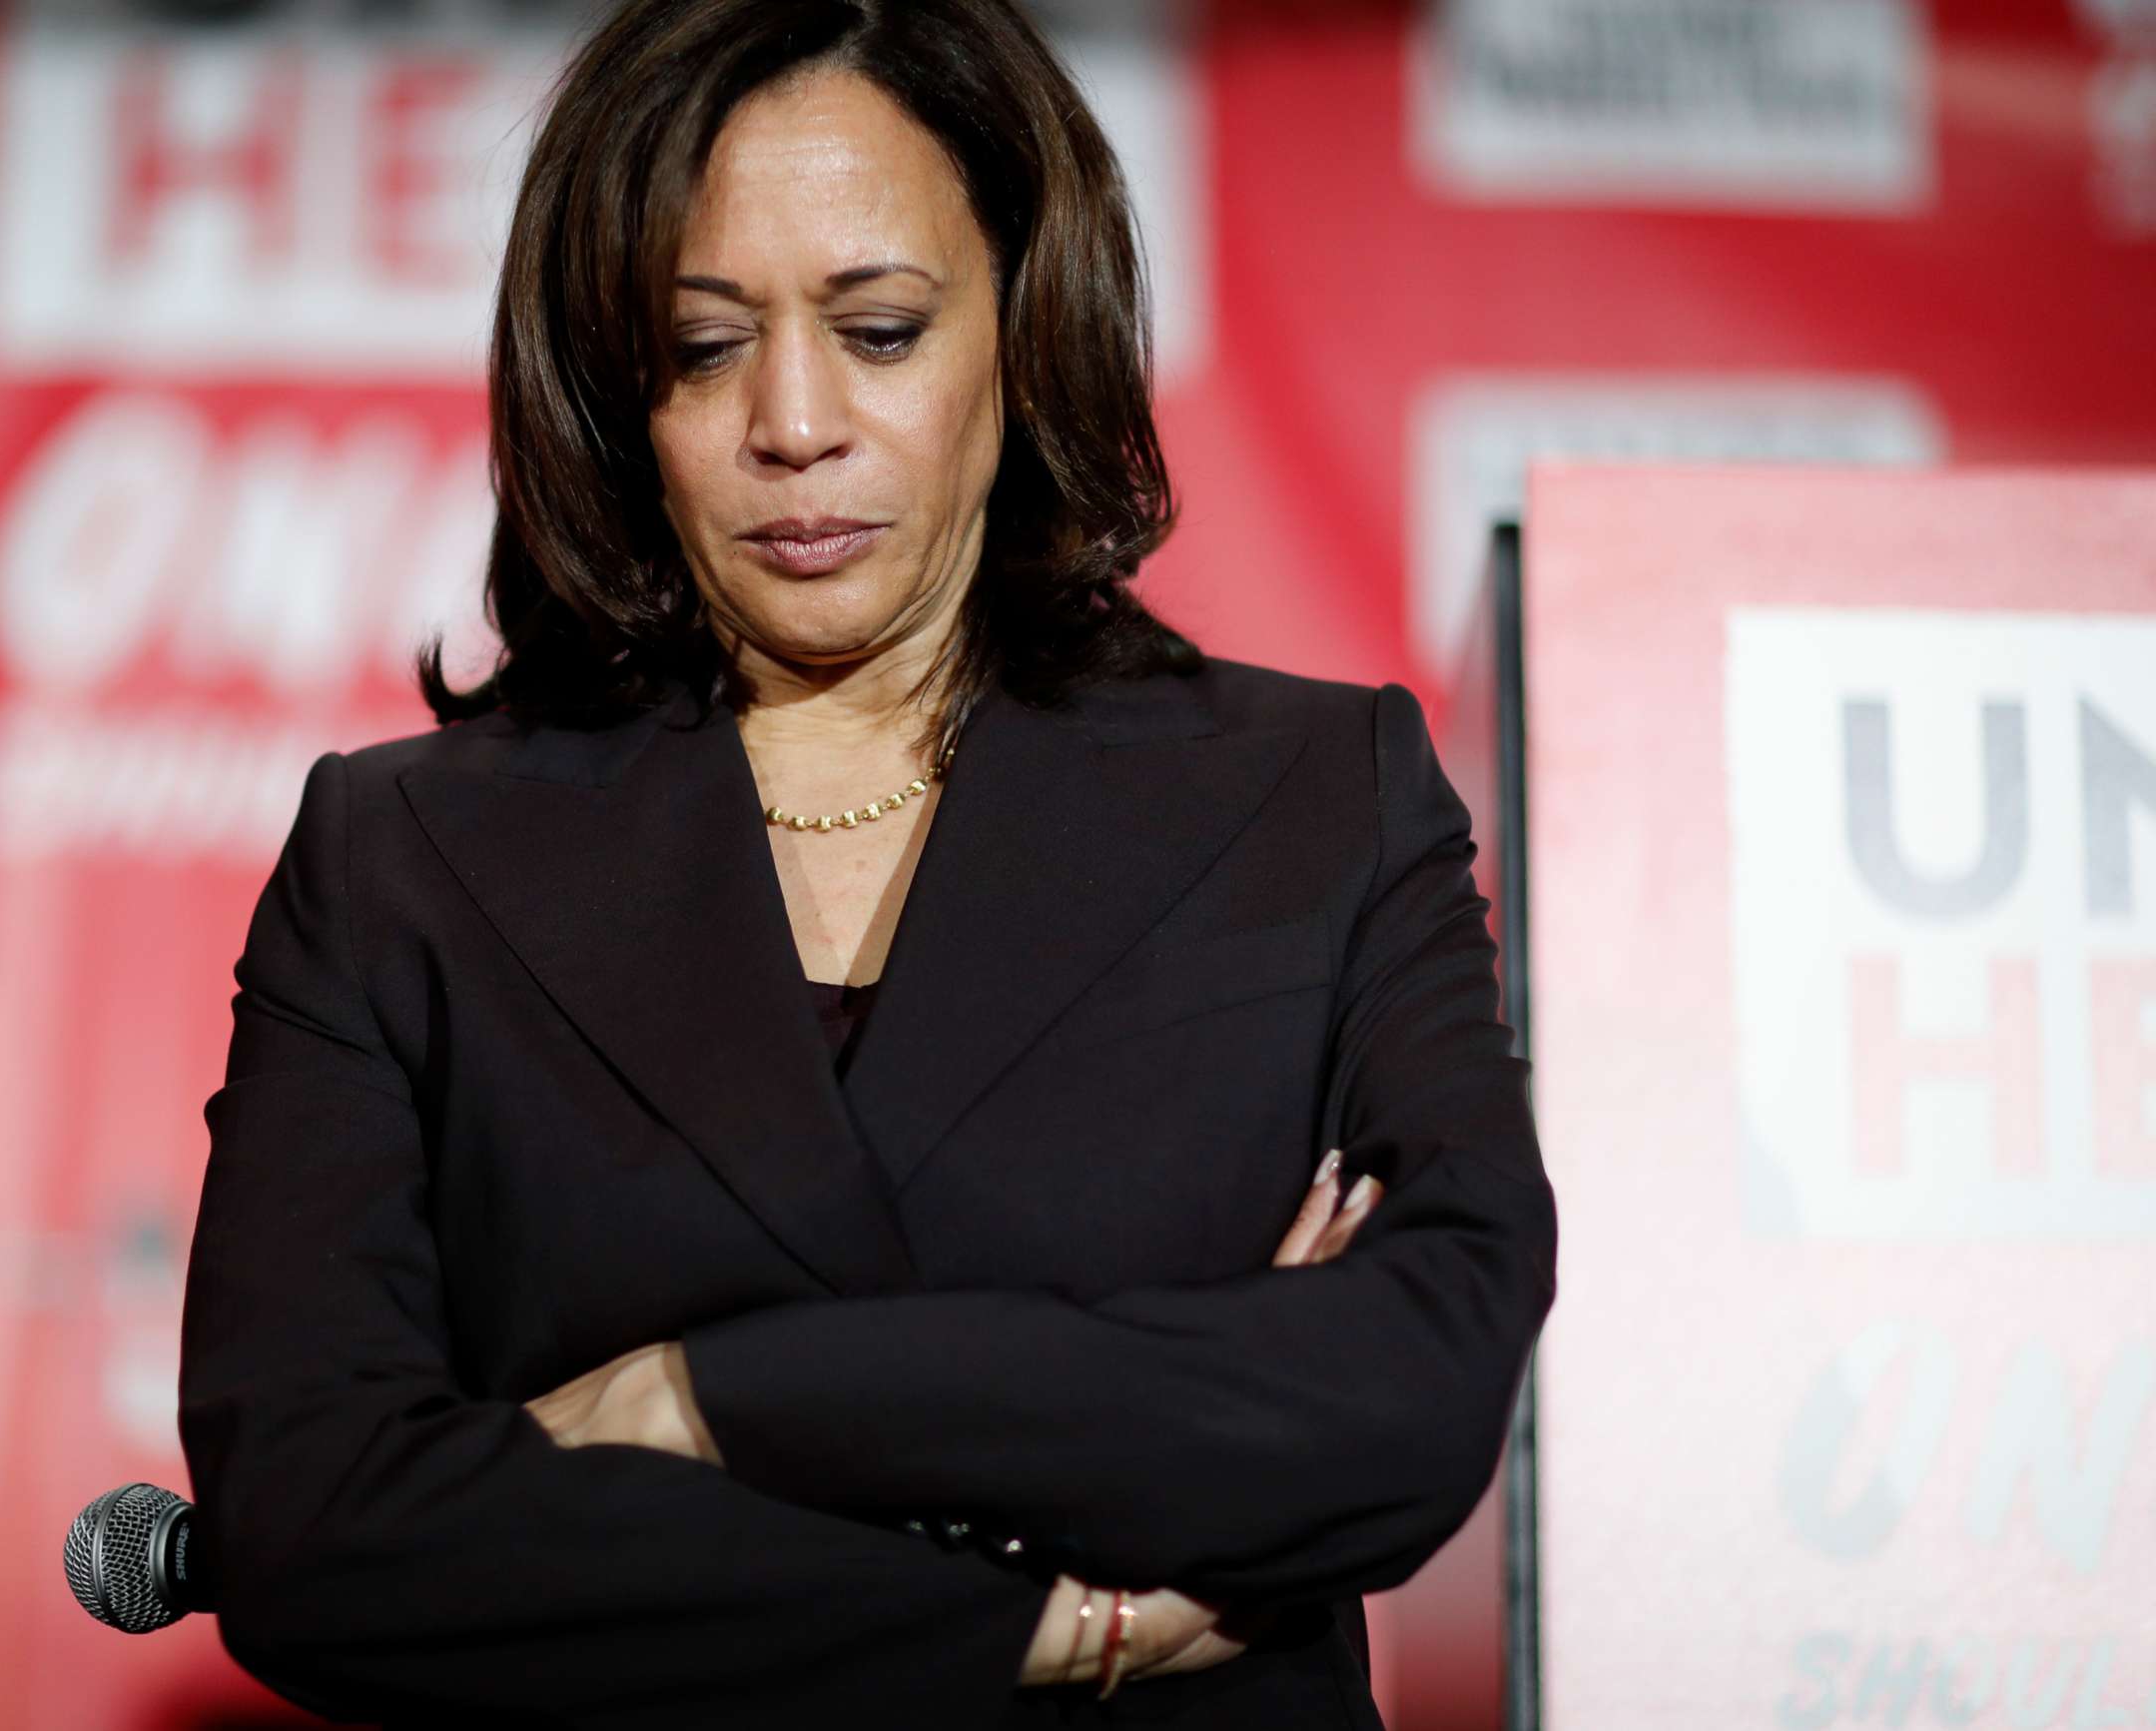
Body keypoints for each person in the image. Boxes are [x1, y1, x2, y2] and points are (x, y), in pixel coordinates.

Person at [175, 0, 1557, 1725]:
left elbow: (1416, 1379)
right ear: (613, 390)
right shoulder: (401, 860)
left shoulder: (1311, 796)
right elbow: (313, 1531)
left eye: (882, 329)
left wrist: (710, 1397)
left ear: (1023, 328)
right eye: (698, 347)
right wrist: (1050, 1615)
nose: (793, 422)